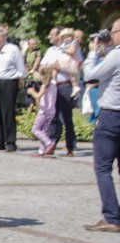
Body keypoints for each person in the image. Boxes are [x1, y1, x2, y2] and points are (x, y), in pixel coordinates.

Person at [82, 20, 120, 232]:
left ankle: (112, 217)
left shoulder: (116, 55)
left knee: (103, 168)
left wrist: (92, 53)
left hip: (112, 115)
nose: (110, 35)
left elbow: (91, 75)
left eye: (113, 32)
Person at [39, 27, 81, 156]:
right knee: (52, 116)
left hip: (65, 85)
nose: (49, 36)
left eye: (52, 34)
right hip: (52, 85)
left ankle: (70, 147)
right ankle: (51, 144)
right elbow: (41, 67)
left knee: (66, 117)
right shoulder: (52, 51)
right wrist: (52, 66)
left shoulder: (73, 47)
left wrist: (65, 66)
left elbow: (78, 65)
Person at [0, 28, 26, 152]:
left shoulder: (13, 49)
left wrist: (19, 81)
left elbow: (21, 67)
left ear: (4, 38)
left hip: (9, 81)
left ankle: (10, 141)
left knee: (8, 111)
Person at [28, 65, 59, 157]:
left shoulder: (45, 86)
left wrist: (31, 91)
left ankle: (48, 143)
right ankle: (41, 151)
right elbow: (55, 74)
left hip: (44, 111)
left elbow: (38, 96)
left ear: (43, 76)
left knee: (35, 129)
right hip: (51, 111)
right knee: (44, 130)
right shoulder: (54, 84)